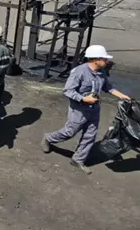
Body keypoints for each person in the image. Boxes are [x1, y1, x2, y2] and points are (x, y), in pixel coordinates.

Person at [41, 45, 131, 174]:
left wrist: (121, 95)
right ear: (95, 59)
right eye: (104, 59)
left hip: (94, 109)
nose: (107, 61)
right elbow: (68, 90)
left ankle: (78, 159)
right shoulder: (79, 72)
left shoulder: (102, 72)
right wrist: (83, 99)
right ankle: (49, 138)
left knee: (90, 136)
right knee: (69, 132)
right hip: (79, 110)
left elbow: (108, 87)